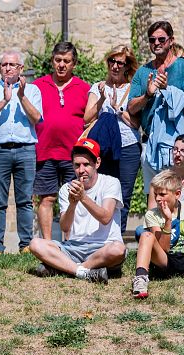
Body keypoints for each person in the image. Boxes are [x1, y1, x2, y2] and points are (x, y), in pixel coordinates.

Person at [29, 138, 126, 283]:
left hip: (103, 247)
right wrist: (72, 204)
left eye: (86, 165)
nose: (81, 171)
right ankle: (84, 272)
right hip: (73, 248)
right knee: (35, 244)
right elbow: (65, 227)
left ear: (97, 163)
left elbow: (105, 218)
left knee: (118, 249)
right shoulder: (66, 189)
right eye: (77, 165)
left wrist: (83, 198)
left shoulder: (111, 183)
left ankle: (65, 268)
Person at [0, 50, 43, 254]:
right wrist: (4, 101)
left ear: (20, 69)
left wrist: (21, 96)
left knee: (24, 200)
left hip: (25, 150)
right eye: (4, 64)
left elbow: (36, 118)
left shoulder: (32, 90)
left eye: (12, 65)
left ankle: (26, 245)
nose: (7, 68)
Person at [33, 42, 91, 239]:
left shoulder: (84, 88)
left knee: (73, 198)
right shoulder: (37, 86)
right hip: (45, 151)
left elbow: (92, 119)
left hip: (73, 154)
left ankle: (71, 242)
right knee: (47, 198)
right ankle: (48, 244)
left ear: (73, 63)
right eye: (58, 60)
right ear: (52, 61)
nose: (61, 65)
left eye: (66, 61)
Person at [84, 45, 140, 232]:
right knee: (101, 192)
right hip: (103, 148)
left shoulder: (133, 89)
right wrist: (101, 99)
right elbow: (87, 118)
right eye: (112, 61)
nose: (115, 66)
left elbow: (136, 124)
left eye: (120, 63)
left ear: (127, 66)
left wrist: (117, 109)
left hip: (128, 147)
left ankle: (118, 239)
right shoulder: (97, 87)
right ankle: (99, 239)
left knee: (123, 194)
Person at [128, 21, 184, 210]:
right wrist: (148, 95)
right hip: (151, 145)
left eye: (161, 39)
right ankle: (154, 237)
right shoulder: (143, 72)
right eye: (152, 40)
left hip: (178, 146)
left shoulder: (182, 67)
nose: (157, 43)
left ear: (171, 40)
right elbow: (132, 107)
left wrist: (169, 90)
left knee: (176, 198)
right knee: (153, 201)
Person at [132, 170, 183, 299]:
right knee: (146, 235)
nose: (158, 198)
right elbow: (164, 248)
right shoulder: (152, 215)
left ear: (177, 194)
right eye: (155, 194)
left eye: (162, 194)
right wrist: (168, 221)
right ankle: (140, 280)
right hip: (166, 260)